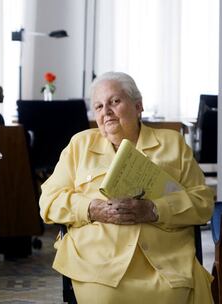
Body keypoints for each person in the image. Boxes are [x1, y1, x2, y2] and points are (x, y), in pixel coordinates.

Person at [39, 71, 214, 303]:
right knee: (106, 297)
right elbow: (48, 201)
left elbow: (203, 202)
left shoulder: (172, 143)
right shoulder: (79, 145)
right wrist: (91, 209)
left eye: (114, 102)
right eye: (99, 106)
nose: (106, 112)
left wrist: (154, 209)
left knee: (174, 294)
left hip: (165, 260)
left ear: (138, 105)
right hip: (98, 262)